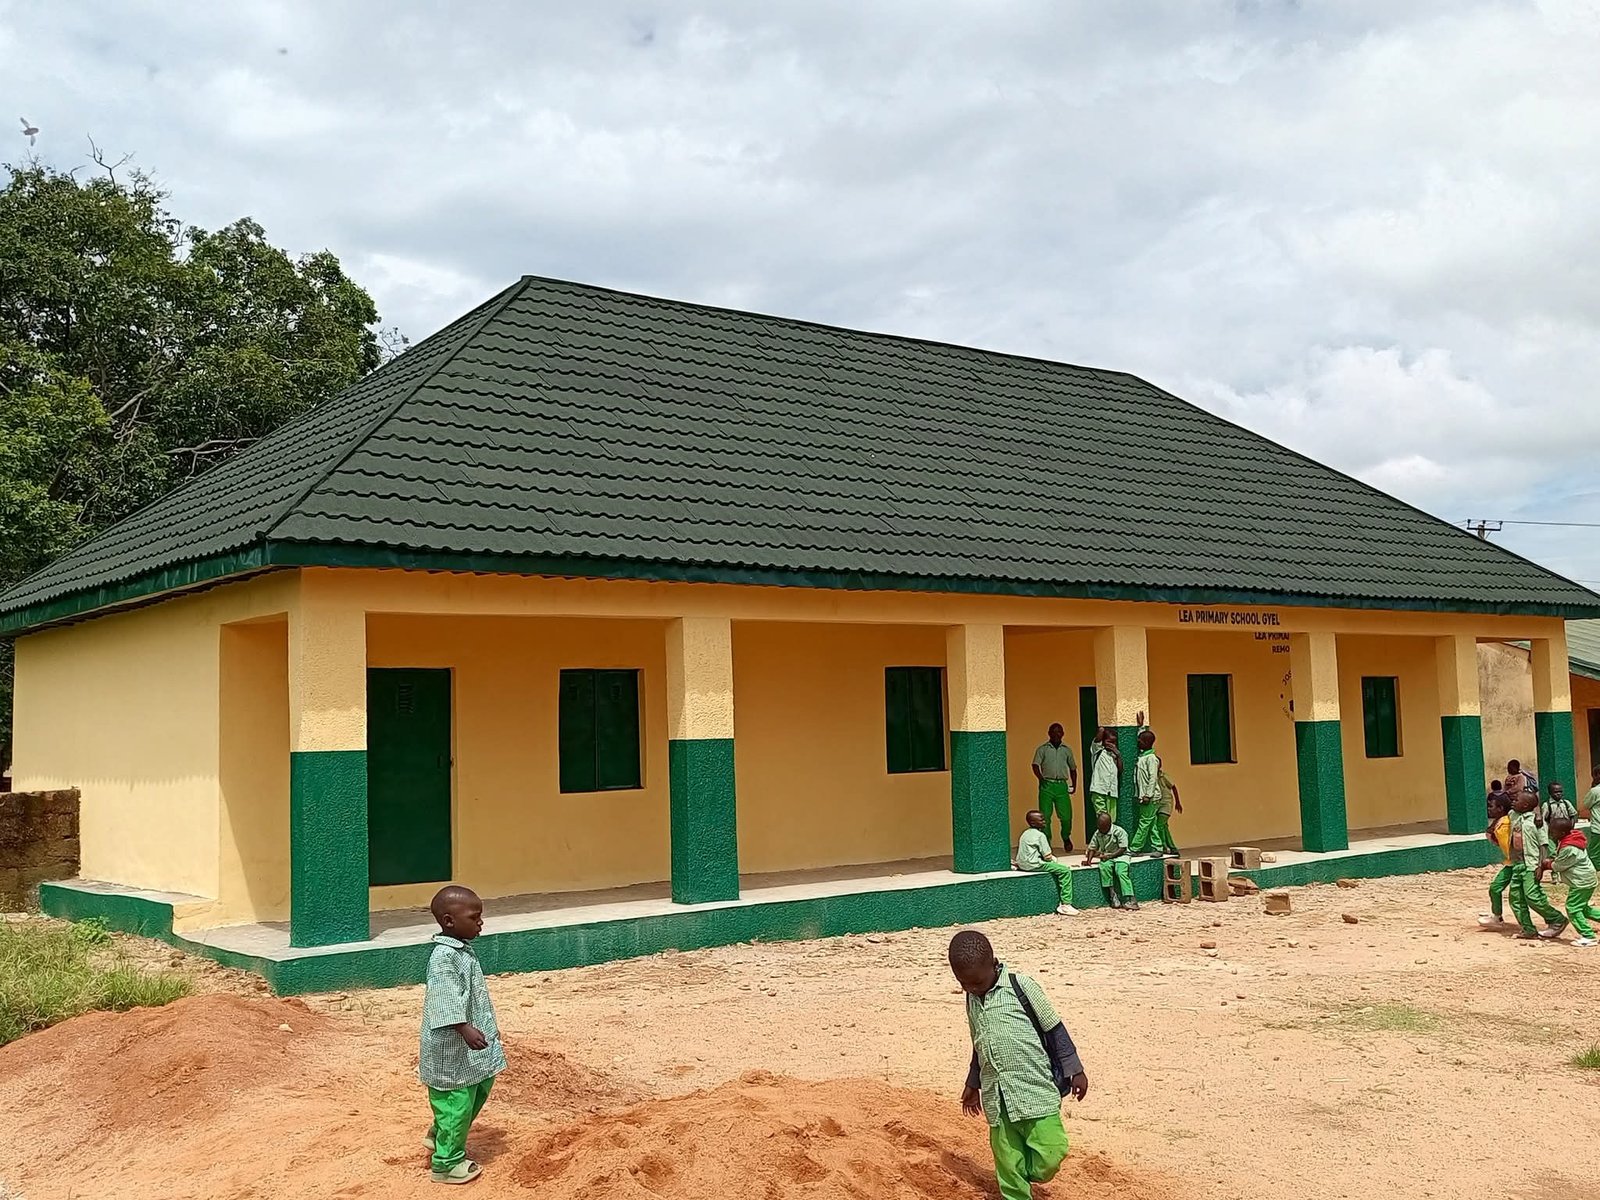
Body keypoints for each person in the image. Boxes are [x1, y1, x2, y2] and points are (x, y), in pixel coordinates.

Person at [950, 930, 1088, 1200]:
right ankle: (1016, 1189)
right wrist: (972, 1083)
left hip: (1034, 1090)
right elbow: (979, 1043)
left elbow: (1054, 1029)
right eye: (964, 984)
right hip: (997, 1096)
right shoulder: (971, 999)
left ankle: (1026, 1173)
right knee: (1007, 1159)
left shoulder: (1021, 987)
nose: (972, 989)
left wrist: (1075, 1069)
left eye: (977, 982)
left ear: (994, 964)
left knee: (1052, 1151)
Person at [420, 885, 506, 1185]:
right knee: (457, 1100)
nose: (480, 922)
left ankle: (440, 1133)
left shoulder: (461, 950)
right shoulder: (443, 957)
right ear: (449, 921)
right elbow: (444, 999)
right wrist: (464, 1028)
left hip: (471, 1048)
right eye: (475, 917)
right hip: (453, 1047)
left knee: (479, 1087)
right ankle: (446, 1164)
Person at [1508, 789, 1566, 941]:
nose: (1513, 801)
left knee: (1532, 895)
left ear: (1526, 805)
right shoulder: (1513, 814)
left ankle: (1556, 919)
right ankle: (1527, 929)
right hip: (1517, 864)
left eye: (1517, 800)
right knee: (1516, 898)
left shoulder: (1537, 822)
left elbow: (1543, 845)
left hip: (1531, 864)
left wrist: (1541, 865)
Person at [1539, 814, 1600, 948]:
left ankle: (1588, 936)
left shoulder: (1569, 847)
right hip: (1584, 880)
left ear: (1561, 833)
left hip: (1581, 882)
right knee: (1582, 908)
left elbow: (1559, 866)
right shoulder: (1570, 839)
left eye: (1553, 832)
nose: (1550, 834)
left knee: (1572, 908)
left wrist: (1547, 864)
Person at [1015, 809, 1079, 916]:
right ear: (1033, 823)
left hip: (1022, 864)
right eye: (1042, 820)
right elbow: (1048, 856)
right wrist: (1056, 862)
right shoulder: (1040, 835)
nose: (1044, 822)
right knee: (1065, 871)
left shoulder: (1025, 833)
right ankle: (1066, 904)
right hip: (1034, 864)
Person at [1129, 717, 1177, 856]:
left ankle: (1135, 848)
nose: (1137, 742)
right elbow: (1144, 738)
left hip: (1150, 797)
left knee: (1144, 823)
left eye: (1140, 741)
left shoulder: (1151, 759)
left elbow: (1152, 779)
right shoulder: (1144, 756)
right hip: (1146, 796)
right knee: (1151, 823)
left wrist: (1147, 795)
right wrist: (1141, 727)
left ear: (1144, 743)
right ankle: (1158, 847)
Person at [1031, 724, 1079, 853]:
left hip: (1062, 785)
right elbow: (1035, 765)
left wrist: (1074, 785)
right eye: (1054, 732)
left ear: (1063, 733)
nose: (1056, 734)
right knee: (1045, 816)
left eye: (1059, 732)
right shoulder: (1043, 749)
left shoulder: (1067, 750)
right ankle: (1047, 842)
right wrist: (1041, 778)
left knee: (1066, 816)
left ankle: (1066, 836)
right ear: (1049, 733)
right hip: (1047, 784)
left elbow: (1073, 769)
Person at [1082, 811, 1138, 910]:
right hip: (1108, 856)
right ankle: (1113, 895)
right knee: (1104, 867)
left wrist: (1111, 856)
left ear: (1109, 825)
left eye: (1103, 828)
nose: (1101, 830)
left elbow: (1123, 848)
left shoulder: (1119, 831)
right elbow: (1092, 847)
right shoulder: (1098, 832)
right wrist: (1089, 861)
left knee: (1121, 872)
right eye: (1099, 827)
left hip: (1121, 855)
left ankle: (1130, 899)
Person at [1478, 789, 1514, 928]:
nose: (1488, 809)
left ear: (1500, 808)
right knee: (1495, 888)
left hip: (1517, 863)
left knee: (1520, 897)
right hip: (1511, 863)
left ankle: (1553, 919)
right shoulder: (1500, 822)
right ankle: (1497, 917)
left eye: (1491, 806)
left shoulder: (1505, 824)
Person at [1086, 728, 1121, 826]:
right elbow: (1099, 735)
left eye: (1114, 742)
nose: (1112, 745)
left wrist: (1118, 755)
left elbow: (1120, 770)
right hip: (1099, 790)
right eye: (1109, 742)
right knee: (1103, 819)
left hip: (1112, 792)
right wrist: (1102, 728)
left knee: (1112, 820)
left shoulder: (1114, 755)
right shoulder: (1097, 751)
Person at [1586, 766, 1600, 872]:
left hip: (1597, 827)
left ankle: (1597, 868)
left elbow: (1586, 804)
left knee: (1594, 852)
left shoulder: (1595, 791)